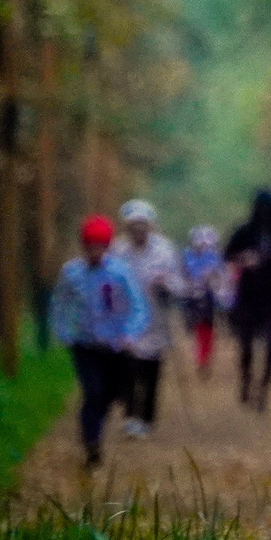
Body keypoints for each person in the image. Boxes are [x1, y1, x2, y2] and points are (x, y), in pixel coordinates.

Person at [49, 215, 148, 469]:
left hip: (115, 346)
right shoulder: (71, 273)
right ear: (83, 246)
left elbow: (138, 307)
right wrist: (63, 332)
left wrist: (130, 332)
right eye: (90, 246)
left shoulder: (120, 272)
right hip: (85, 345)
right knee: (92, 392)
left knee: (110, 394)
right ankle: (92, 441)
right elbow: (59, 304)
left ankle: (95, 425)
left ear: (107, 247)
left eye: (99, 246)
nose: (94, 252)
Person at [108, 200, 180, 439]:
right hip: (126, 321)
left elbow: (180, 285)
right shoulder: (117, 251)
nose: (139, 229)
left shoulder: (165, 250)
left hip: (156, 321)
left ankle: (147, 418)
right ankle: (130, 416)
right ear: (127, 227)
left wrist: (165, 283)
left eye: (143, 224)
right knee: (128, 369)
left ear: (151, 226)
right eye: (134, 225)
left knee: (151, 372)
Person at [225, 189, 271, 409]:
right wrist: (244, 259)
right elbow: (228, 254)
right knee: (246, 345)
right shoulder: (245, 231)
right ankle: (246, 381)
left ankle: (264, 389)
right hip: (248, 296)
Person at [181, 225, 227, 377]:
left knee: (206, 329)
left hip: (208, 297)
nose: (203, 246)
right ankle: (200, 354)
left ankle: (204, 358)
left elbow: (219, 276)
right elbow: (183, 275)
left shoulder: (214, 256)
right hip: (190, 296)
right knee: (194, 328)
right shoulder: (186, 255)